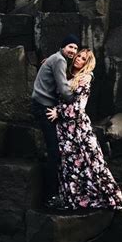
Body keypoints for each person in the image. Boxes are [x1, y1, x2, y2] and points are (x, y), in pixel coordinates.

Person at [46, 48, 122, 211]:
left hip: (78, 129)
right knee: (71, 165)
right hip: (65, 130)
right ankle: (75, 199)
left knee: (91, 161)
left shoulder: (85, 78)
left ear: (87, 64)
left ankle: (107, 196)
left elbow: (78, 107)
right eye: (78, 56)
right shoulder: (68, 75)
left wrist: (58, 112)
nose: (78, 59)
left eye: (83, 58)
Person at [31, 34, 91, 208]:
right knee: (55, 152)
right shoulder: (59, 60)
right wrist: (76, 97)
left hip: (43, 105)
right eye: (70, 47)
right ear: (63, 47)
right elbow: (64, 91)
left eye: (75, 48)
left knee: (55, 150)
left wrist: (88, 75)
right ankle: (51, 195)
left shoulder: (56, 58)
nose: (73, 51)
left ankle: (54, 192)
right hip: (45, 108)